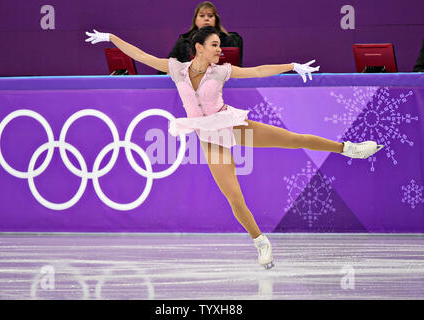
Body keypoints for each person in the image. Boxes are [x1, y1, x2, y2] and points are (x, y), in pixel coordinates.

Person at [85, 26, 384, 270]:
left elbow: (258, 71)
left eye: (220, 45)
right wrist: (111, 38)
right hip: (208, 136)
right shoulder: (175, 69)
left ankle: (348, 148)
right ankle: (260, 241)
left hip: (231, 123)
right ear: (199, 47)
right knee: (234, 196)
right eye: (215, 45)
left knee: (294, 140)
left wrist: (292, 65)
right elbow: (140, 55)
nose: (220, 49)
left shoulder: (222, 71)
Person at [158, 1, 242, 75]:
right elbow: (167, 67)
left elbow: (237, 68)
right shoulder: (184, 41)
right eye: (202, 16)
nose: (206, 19)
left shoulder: (229, 40)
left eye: (210, 16)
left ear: (216, 20)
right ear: (195, 20)